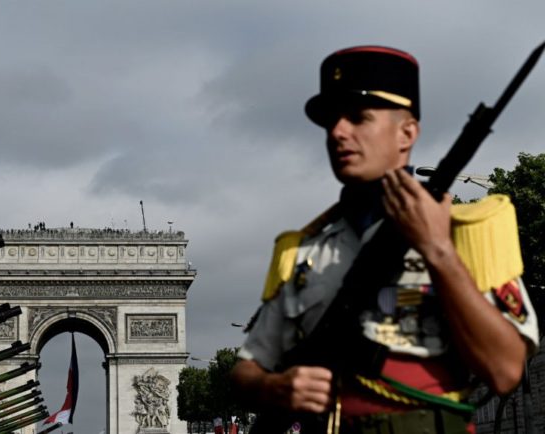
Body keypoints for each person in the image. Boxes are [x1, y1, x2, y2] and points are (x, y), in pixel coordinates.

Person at [231, 46, 540, 434]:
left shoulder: (467, 235)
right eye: (331, 121)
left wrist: (437, 250)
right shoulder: (303, 252)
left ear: (407, 132)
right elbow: (248, 366)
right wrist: (272, 387)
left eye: (359, 118)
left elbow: (505, 370)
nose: (338, 132)